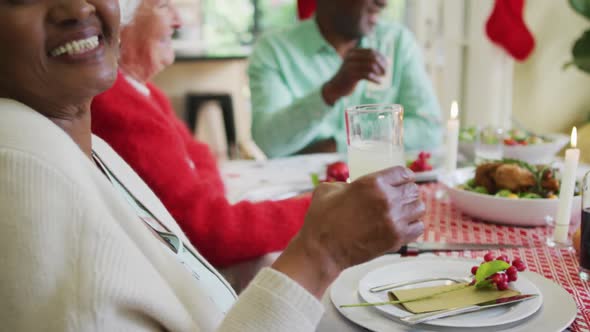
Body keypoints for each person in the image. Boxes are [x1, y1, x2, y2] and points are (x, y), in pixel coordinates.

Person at [0, 0, 426, 329]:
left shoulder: (83, 144)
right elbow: (212, 218)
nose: (77, 6)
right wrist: (323, 247)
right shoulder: (24, 162)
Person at [90, 0, 310, 270]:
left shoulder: (139, 92)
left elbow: (199, 156)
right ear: (118, 22)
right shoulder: (115, 106)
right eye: (163, 6)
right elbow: (212, 234)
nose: (178, 20)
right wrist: (323, 212)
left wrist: (206, 198)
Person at [249, 0, 442, 157]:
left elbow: (428, 130)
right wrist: (330, 92)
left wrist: (336, 145)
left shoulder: (397, 42)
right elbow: (269, 143)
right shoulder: (274, 50)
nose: (383, 3)